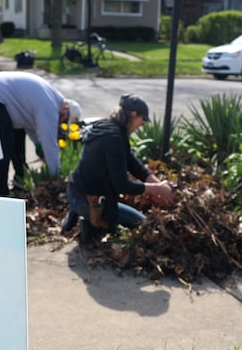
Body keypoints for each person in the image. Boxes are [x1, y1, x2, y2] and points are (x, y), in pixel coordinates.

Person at [62, 94, 175, 244]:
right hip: (86, 200)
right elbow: (122, 185)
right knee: (142, 223)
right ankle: (90, 225)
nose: (141, 126)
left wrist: (158, 184)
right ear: (134, 115)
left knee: (126, 214)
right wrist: (156, 190)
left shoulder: (109, 128)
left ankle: (78, 214)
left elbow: (132, 163)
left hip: (75, 190)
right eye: (142, 120)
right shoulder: (114, 139)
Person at [0, 71, 82, 197]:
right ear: (65, 109)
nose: (60, 123)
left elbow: (29, 123)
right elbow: (50, 144)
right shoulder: (50, 106)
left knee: (18, 141)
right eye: (63, 120)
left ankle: (19, 182)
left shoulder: (51, 98)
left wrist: (37, 144)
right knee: (3, 145)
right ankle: (1, 192)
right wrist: (55, 176)